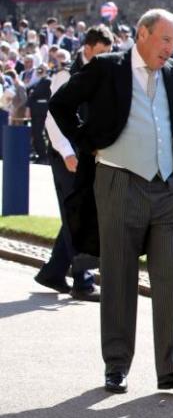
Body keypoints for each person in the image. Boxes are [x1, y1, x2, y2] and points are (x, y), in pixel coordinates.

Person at [49, 9, 173, 394]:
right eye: (165, 39)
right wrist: (88, 144)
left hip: (169, 189)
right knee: (118, 275)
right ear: (143, 34)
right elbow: (61, 104)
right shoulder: (106, 67)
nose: (171, 48)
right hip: (118, 181)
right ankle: (116, 364)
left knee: (172, 274)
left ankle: (171, 365)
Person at [33, 25, 114, 302]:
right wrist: (68, 153)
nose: (105, 57)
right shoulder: (66, 74)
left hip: (87, 154)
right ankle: (83, 280)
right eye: (101, 52)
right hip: (66, 155)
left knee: (76, 213)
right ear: (88, 48)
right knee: (78, 214)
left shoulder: (100, 73)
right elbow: (53, 118)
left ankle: (54, 272)